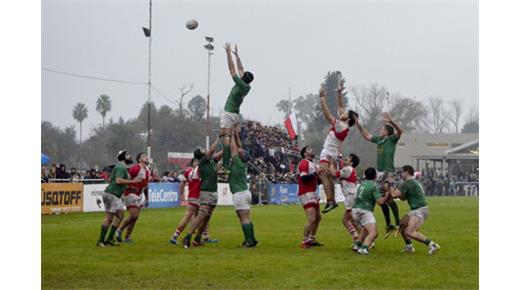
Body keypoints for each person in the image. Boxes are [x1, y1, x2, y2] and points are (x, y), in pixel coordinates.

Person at [355, 112, 402, 238]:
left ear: (387, 132)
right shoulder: (379, 140)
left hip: (388, 171)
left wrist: (391, 120)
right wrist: (358, 125)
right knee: (382, 201)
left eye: (382, 129)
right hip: (380, 172)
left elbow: (400, 131)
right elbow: (367, 135)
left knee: (389, 196)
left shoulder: (392, 139)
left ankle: (398, 223)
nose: (380, 130)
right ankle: (389, 224)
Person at [317, 83, 358, 213]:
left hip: (329, 151)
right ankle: (331, 200)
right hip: (332, 151)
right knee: (326, 174)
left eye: (346, 113)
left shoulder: (341, 125)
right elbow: (340, 106)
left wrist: (322, 98)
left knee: (323, 173)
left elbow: (327, 115)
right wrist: (339, 93)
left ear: (348, 118)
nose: (343, 112)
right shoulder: (344, 124)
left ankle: (330, 200)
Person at [183, 136, 223, 248]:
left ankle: (197, 239)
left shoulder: (210, 160)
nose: (205, 149)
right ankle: (188, 236)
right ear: (200, 154)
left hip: (213, 191)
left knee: (207, 217)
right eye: (202, 149)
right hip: (206, 191)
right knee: (202, 215)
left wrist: (228, 143)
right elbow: (212, 151)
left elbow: (221, 153)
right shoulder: (203, 161)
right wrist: (219, 137)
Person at [96, 150, 142, 247]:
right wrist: (133, 181)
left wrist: (130, 187)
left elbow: (118, 181)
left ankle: (109, 239)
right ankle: (101, 241)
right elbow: (118, 181)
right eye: (128, 155)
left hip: (114, 195)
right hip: (112, 194)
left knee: (120, 216)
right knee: (109, 218)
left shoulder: (122, 167)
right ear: (123, 157)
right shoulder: (121, 166)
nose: (130, 156)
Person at [394, 165, 440, 254]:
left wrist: (390, 185)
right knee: (402, 224)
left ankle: (432, 245)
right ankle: (409, 247)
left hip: (419, 210)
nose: (401, 175)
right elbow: (403, 198)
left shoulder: (407, 183)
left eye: (402, 172)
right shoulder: (412, 182)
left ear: (406, 172)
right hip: (418, 209)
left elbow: (394, 195)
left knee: (410, 232)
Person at [221, 43, 254, 169]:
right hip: (235, 114)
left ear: (243, 78)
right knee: (233, 138)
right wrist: (238, 57)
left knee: (225, 138)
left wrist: (228, 53)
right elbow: (241, 70)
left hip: (229, 113)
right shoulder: (247, 86)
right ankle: (232, 160)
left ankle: (225, 166)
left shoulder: (240, 84)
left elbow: (232, 69)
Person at [351, 167, 392, 255]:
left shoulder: (361, 185)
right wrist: (387, 194)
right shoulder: (374, 186)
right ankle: (364, 248)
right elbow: (380, 202)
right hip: (365, 210)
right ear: (375, 176)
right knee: (374, 233)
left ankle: (357, 245)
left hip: (355, 210)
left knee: (365, 229)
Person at [228, 126, 258, 247]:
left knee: (244, 218)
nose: (240, 150)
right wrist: (235, 133)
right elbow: (238, 147)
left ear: (240, 156)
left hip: (240, 194)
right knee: (244, 217)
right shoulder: (243, 162)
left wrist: (230, 135)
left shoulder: (237, 162)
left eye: (241, 152)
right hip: (244, 193)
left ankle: (250, 241)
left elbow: (234, 147)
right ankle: (250, 239)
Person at [116, 153, 151, 243]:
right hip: (130, 193)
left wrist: (147, 198)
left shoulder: (147, 170)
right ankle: (118, 230)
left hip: (139, 195)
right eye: (143, 156)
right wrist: (129, 187)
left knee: (135, 218)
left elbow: (146, 186)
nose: (146, 157)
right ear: (139, 160)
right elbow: (126, 179)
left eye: (146, 156)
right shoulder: (135, 168)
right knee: (133, 215)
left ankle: (128, 237)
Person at [328, 153, 360, 243]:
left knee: (348, 219)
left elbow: (334, 173)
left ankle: (360, 238)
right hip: (351, 196)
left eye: (349, 158)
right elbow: (339, 168)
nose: (347, 158)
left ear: (352, 163)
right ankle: (359, 238)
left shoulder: (348, 169)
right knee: (352, 220)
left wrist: (330, 162)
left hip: (350, 196)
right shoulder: (349, 169)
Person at [170, 158, 202, 244]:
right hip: (196, 197)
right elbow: (182, 183)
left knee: (194, 217)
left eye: (198, 161)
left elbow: (182, 182)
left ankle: (197, 237)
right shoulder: (199, 170)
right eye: (195, 161)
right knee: (191, 217)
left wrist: (181, 194)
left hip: (194, 196)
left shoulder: (188, 171)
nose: (197, 163)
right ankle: (176, 236)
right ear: (192, 164)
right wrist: (181, 194)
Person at [297, 146, 323, 248]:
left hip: (312, 192)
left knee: (318, 218)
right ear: (304, 154)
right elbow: (304, 179)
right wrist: (316, 173)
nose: (311, 150)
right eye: (308, 149)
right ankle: (304, 240)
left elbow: (316, 181)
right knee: (311, 218)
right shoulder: (304, 163)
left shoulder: (313, 164)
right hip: (306, 192)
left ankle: (311, 238)